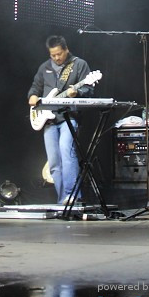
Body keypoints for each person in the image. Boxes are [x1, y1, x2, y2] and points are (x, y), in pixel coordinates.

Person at [27, 35, 94, 205]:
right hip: (48, 120)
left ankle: (73, 197)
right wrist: (33, 96)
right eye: (53, 55)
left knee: (67, 153)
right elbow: (36, 87)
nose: (56, 58)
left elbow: (89, 89)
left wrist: (77, 92)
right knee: (54, 162)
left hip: (69, 117)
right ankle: (62, 200)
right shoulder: (45, 67)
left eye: (59, 54)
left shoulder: (79, 65)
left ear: (66, 49)